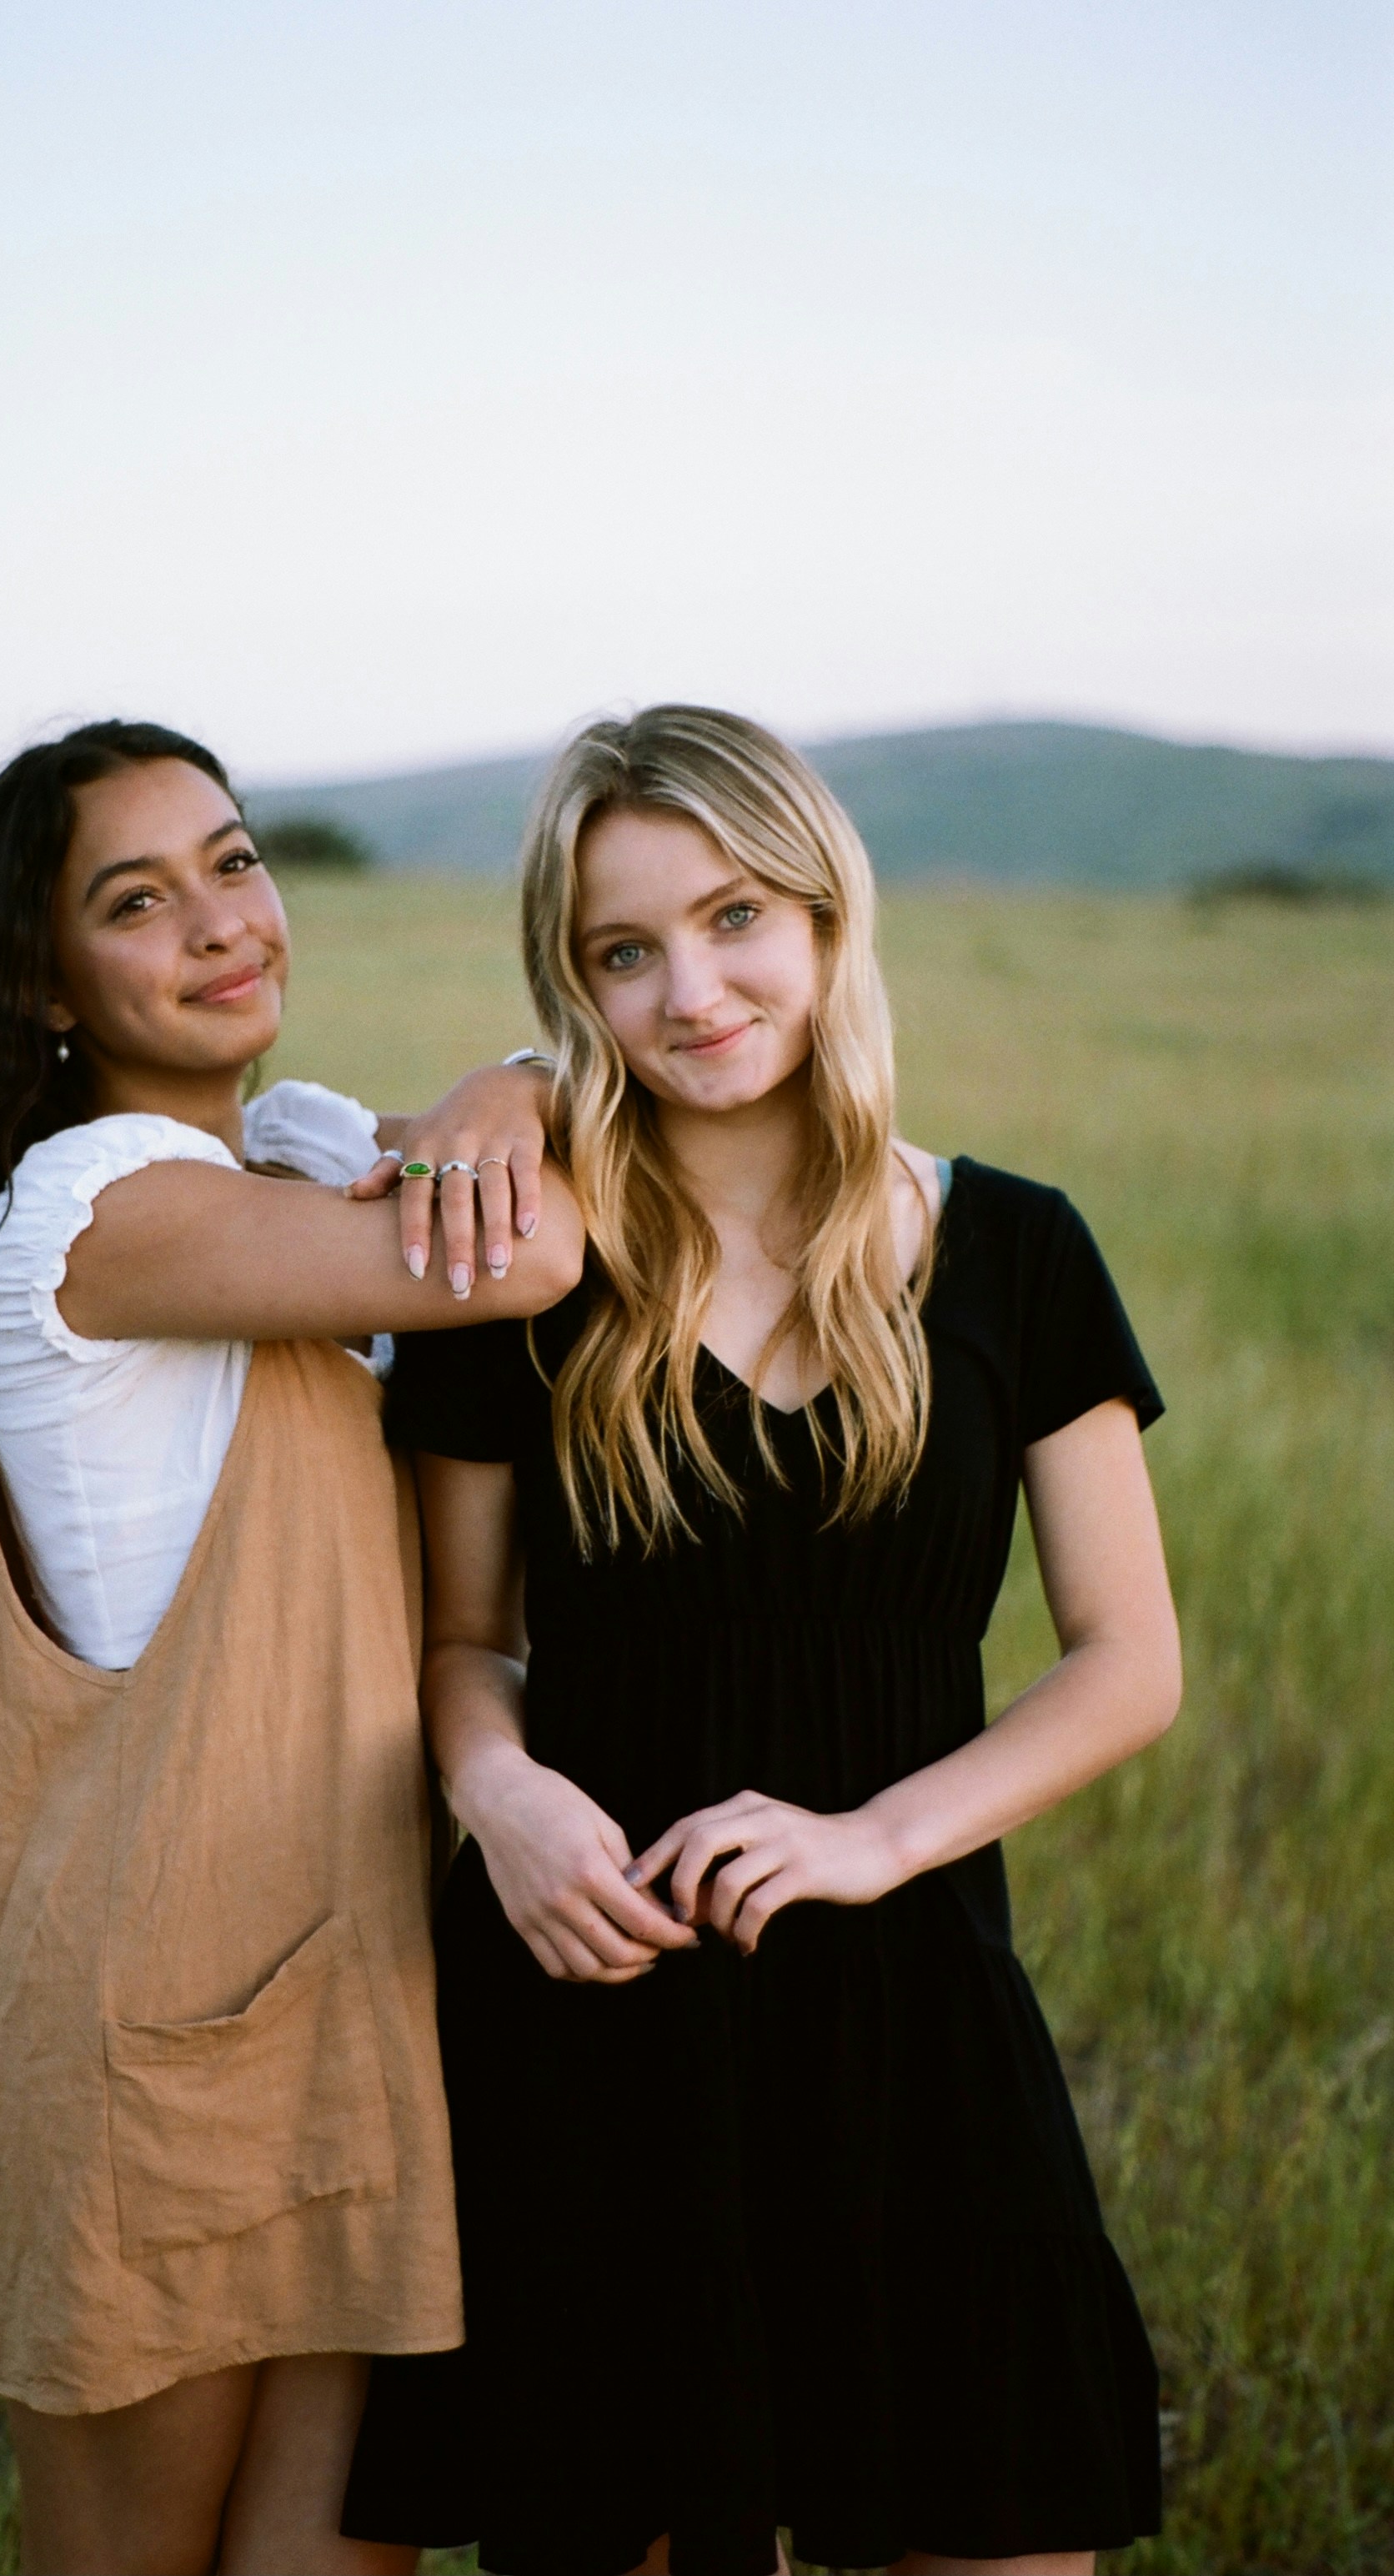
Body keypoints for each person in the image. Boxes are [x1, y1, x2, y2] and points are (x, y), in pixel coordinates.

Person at [343, 706, 1183, 2576]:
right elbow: (466, 1640)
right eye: (617, 954)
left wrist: (869, 1842)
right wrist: (500, 1798)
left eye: (733, 919)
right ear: (570, 989)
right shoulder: (525, 1269)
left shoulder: (1017, 1252)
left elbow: (1129, 1658)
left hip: (915, 2003)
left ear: (824, 915)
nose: (690, 991)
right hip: (598, 1997)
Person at [0, 720, 584, 2576]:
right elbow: (519, 1255)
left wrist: (508, 1074)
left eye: (233, 862)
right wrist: (520, 1102)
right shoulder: (91, 1214)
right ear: (43, 978)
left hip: (345, 1993)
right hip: (139, 2039)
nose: (216, 922)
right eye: (135, 899)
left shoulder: (298, 1146)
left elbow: (521, 1156)